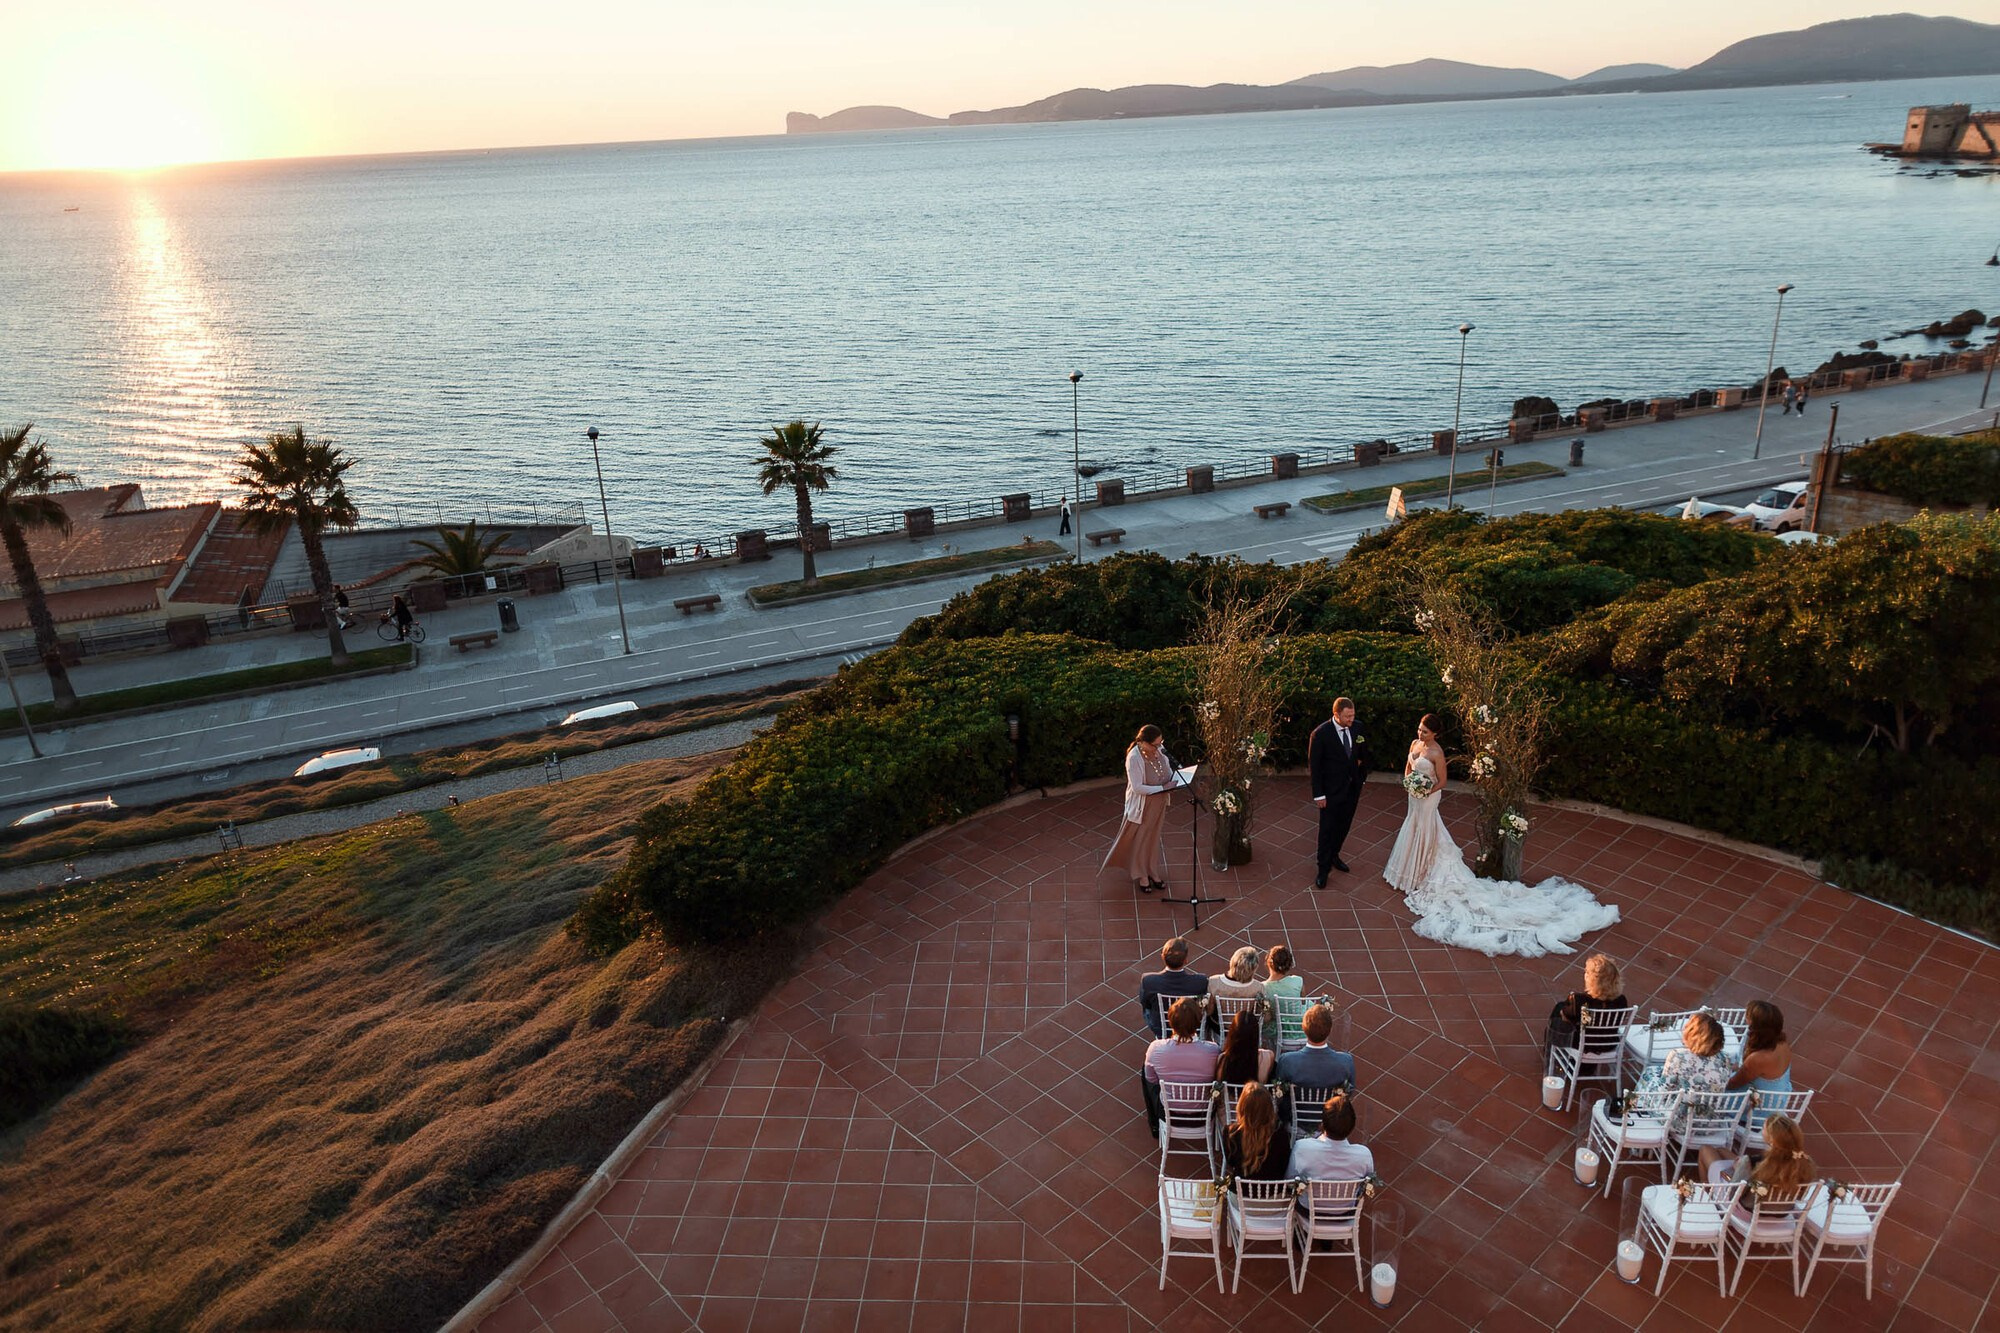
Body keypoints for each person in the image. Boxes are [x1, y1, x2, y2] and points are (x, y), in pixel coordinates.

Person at [1381, 711, 1619, 958]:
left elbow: (1442, 781)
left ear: (1435, 733)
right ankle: (1408, 869)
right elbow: (1409, 766)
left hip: (1428, 798)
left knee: (1426, 828)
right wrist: (1409, 783)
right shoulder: (1415, 743)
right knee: (1412, 826)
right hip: (1414, 797)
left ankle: (1422, 870)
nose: (1420, 734)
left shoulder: (1437, 753)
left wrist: (1426, 790)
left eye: (1425, 731)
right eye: (1420, 729)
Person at [1100, 724, 1177, 895]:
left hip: (1159, 804)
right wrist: (1162, 788)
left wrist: (1175, 779)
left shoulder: (1159, 751)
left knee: (1153, 839)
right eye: (1155, 744)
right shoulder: (1134, 758)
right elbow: (1137, 787)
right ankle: (1142, 875)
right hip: (1143, 806)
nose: (1159, 747)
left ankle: (1152, 871)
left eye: (1161, 742)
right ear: (1143, 742)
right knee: (1141, 840)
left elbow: (1167, 771)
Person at [1700, 1113, 1816, 1220]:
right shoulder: (1805, 1162)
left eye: (1764, 1128)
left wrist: (1737, 1169)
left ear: (1772, 1139)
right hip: (1782, 1211)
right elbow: (1800, 1196)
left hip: (1748, 1211)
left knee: (1705, 1150)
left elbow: (1733, 1193)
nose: (1762, 1129)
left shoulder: (1753, 1162)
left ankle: (1708, 1198)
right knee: (1722, 1150)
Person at [1307, 697, 1371, 887]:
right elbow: (1315, 767)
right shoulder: (1320, 734)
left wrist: (1361, 776)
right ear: (1336, 714)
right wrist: (1319, 794)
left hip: (1352, 789)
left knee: (1344, 826)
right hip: (1330, 792)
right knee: (1327, 830)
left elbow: (1363, 753)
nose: (1351, 719)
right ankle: (1323, 868)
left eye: (1353, 715)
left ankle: (1334, 855)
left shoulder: (1358, 727)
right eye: (1347, 716)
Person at [1640, 1012, 1739, 1129]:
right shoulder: (1726, 1059)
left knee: (1648, 1075)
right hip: (1710, 1123)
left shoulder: (1678, 1055)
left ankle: (1638, 1115)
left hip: (1680, 1122)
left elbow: (1664, 1091)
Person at [1142, 996, 1220, 1137]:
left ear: (1171, 1021)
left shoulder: (1156, 1048)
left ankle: (1154, 1125)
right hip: (1203, 1114)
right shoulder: (1213, 1050)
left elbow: (1151, 1079)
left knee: (1145, 1070)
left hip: (1169, 1112)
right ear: (1198, 1022)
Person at [1543, 952, 1629, 1065]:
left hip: (1584, 1044)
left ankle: (1549, 1053)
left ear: (1593, 980)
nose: (1585, 975)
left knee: (1558, 1012)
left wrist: (1569, 1003)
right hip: (1608, 1044)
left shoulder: (1581, 1001)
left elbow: (1567, 1016)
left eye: (1587, 972)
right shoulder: (1621, 1001)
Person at [1725, 1000, 1794, 1133]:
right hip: (1777, 1099)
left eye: (1748, 1017)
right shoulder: (1782, 1043)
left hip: (1760, 1109)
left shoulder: (1759, 1058)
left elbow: (1733, 1084)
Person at [1289, 1090, 1373, 1182]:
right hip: (1348, 1192)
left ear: (1322, 1124)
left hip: (1308, 1192)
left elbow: (1290, 1180)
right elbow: (1367, 1182)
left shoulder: (1302, 1148)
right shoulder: (1364, 1155)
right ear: (1352, 1127)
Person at [1274, 1002, 1357, 1093]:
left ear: (1303, 1029)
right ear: (1330, 1030)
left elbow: (1280, 1089)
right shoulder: (1346, 1061)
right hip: (1331, 1102)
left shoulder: (1286, 1060)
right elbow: (1349, 1092)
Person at [1138, 936, 1209, 1038]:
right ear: (1186, 960)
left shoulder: (1148, 980)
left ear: (1162, 957)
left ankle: (1160, 1035)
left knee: (1147, 1009)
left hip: (1161, 1027)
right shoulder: (1201, 981)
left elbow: (1145, 1003)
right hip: (1191, 1025)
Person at [1223, 1083, 1290, 1182]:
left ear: (1242, 1105)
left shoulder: (1230, 1132)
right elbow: (1284, 1166)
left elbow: (1231, 1162)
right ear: (1269, 1107)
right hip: (1273, 1190)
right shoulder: (1281, 1134)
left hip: (1240, 1189)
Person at [1217, 1010, 1275, 1085]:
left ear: (1232, 1033)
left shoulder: (1223, 1059)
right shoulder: (1267, 1056)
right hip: (1255, 1092)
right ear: (1256, 1034)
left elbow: (1219, 1085)